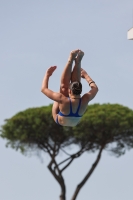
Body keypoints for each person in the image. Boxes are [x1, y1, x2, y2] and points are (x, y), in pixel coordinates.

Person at [41, 49, 98, 127]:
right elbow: (95, 89)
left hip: (59, 118)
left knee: (64, 88)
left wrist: (47, 75)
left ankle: (72, 61)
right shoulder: (85, 99)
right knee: (70, 85)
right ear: (80, 91)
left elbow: (44, 89)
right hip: (73, 119)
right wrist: (86, 76)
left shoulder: (63, 99)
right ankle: (77, 62)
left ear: (70, 91)